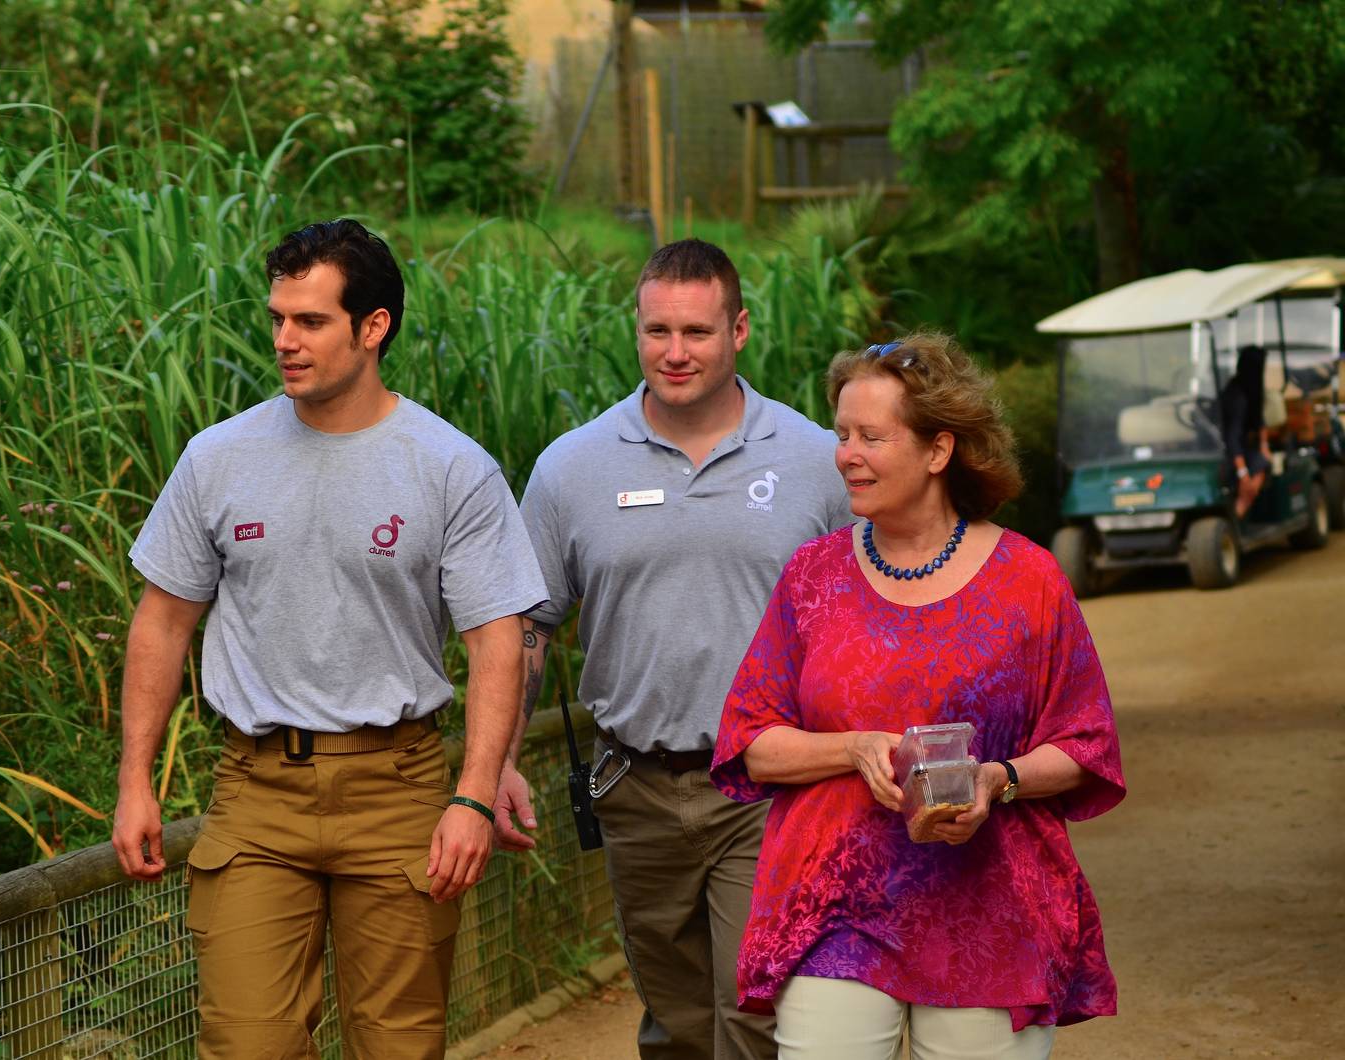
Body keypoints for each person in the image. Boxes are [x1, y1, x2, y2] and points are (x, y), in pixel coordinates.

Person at [111, 219, 546, 1059]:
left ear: (373, 326)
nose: (284, 339)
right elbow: (162, 622)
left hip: (401, 792)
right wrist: (135, 779)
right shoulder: (218, 458)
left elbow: (499, 640)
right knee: (246, 1046)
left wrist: (473, 793)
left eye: (309, 321)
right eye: (277, 317)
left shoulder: (449, 466)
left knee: (397, 1047)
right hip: (257, 790)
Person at [711, 332, 1126, 1060]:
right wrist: (854, 747)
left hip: (989, 907)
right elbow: (752, 741)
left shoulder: (1029, 582)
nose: (846, 454)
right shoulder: (813, 579)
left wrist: (1000, 779)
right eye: (842, 434)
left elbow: (1086, 747)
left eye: (871, 436)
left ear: (938, 450)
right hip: (835, 904)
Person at [498, 239, 852, 1060]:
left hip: (771, 788)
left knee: (756, 1013)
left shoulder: (815, 463)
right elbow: (527, 625)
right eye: (658, 331)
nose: (676, 352)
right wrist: (500, 759)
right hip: (634, 788)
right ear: (636, 330)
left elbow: (870, 619)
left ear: (740, 330)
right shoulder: (570, 469)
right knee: (678, 1024)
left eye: (697, 331)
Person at [1222, 344, 1272, 518]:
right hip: (1231, 451)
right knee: (1254, 475)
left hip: (1243, 447)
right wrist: (1243, 473)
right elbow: (1232, 438)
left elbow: (1259, 421)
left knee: (1262, 461)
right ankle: (1238, 515)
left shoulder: (1252, 391)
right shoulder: (1237, 396)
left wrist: (1265, 445)